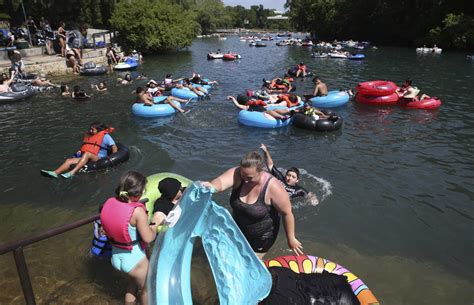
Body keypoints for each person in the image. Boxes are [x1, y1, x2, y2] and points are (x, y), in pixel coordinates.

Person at [202, 151, 303, 259]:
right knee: (225, 257)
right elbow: (220, 183)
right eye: (243, 175)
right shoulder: (238, 173)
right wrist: (211, 186)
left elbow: (287, 213)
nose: (245, 180)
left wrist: (291, 238)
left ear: (261, 172)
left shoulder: (274, 187)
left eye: (250, 178)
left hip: (261, 238)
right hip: (237, 229)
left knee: (247, 264)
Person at [100, 171, 157, 305]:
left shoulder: (109, 202)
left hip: (116, 258)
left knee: (132, 283)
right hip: (136, 261)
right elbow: (148, 238)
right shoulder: (137, 211)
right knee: (145, 290)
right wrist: (154, 228)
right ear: (138, 192)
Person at [40, 122, 117, 178]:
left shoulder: (106, 136)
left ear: (98, 130)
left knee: (87, 154)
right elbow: (87, 146)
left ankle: (72, 173)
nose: (90, 131)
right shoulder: (90, 136)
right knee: (69, 160)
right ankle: (55, 173)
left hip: (99, 158)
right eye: (90, 129)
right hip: (87, 156)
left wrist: (112, 159)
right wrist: (80, 152)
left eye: (92, 129)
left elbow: (114, 147)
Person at [228, 95, 293, 121]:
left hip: (265, 109)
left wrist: (268, 105)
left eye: (250, 100)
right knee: (269, 112)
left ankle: (290, 112)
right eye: (249, 100)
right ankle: (282, 117)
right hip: (263, 113)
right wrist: (233, 98)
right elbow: (238, 105)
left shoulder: (253, 103)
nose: (251, 100)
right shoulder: (246, 107)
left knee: (275, 109)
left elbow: (263, 105)